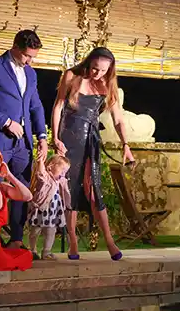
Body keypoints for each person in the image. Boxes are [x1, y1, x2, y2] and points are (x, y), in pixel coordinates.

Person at [51, 47, 136, 261]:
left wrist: (126, 144)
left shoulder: (108, 85)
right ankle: (72, 242)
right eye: (95, 68)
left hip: (91, 140)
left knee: (93, 187)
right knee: (70, 188)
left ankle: (109, 240)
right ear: (89, 63)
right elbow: (58, 106)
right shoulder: (72, 76)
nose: (97, 74)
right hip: (69, 138)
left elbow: (118, 119)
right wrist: (55, 138)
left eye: (103, 71)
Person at [0, 30, 48, 251]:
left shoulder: (31, 74)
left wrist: (41, 136)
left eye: (33, 57)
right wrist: (6, 122)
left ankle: (16, 239)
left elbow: (35, 106)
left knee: (21, 188)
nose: (29, 61)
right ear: (15, 47)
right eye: (26, 56)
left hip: (23, 144)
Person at [26, 154, 72, 260]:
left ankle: (46, 251)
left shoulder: (60, 181)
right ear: (51, 166)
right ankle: (32, 250)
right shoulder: (46, 178)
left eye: (65, 171)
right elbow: (41, 174)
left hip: (53, 212)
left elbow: (66, 193)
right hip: (41, 209)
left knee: (51, 231)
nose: (63, 173)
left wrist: (68, 205)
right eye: (62, 169)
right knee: (35, 230)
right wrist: (41, 162)